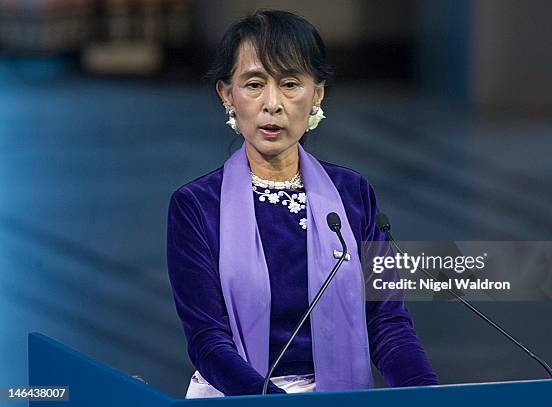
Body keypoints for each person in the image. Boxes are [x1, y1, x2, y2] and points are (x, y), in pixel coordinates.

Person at [166, 9, 438, 398]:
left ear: (317, 94)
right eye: (254, 84)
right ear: (226, 94)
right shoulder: (196, 206)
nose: (272, 104)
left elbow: (387, 323)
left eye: (290, 83)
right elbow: (208, 341)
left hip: (339, 396)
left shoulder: (352, 193)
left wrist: (427, 397)